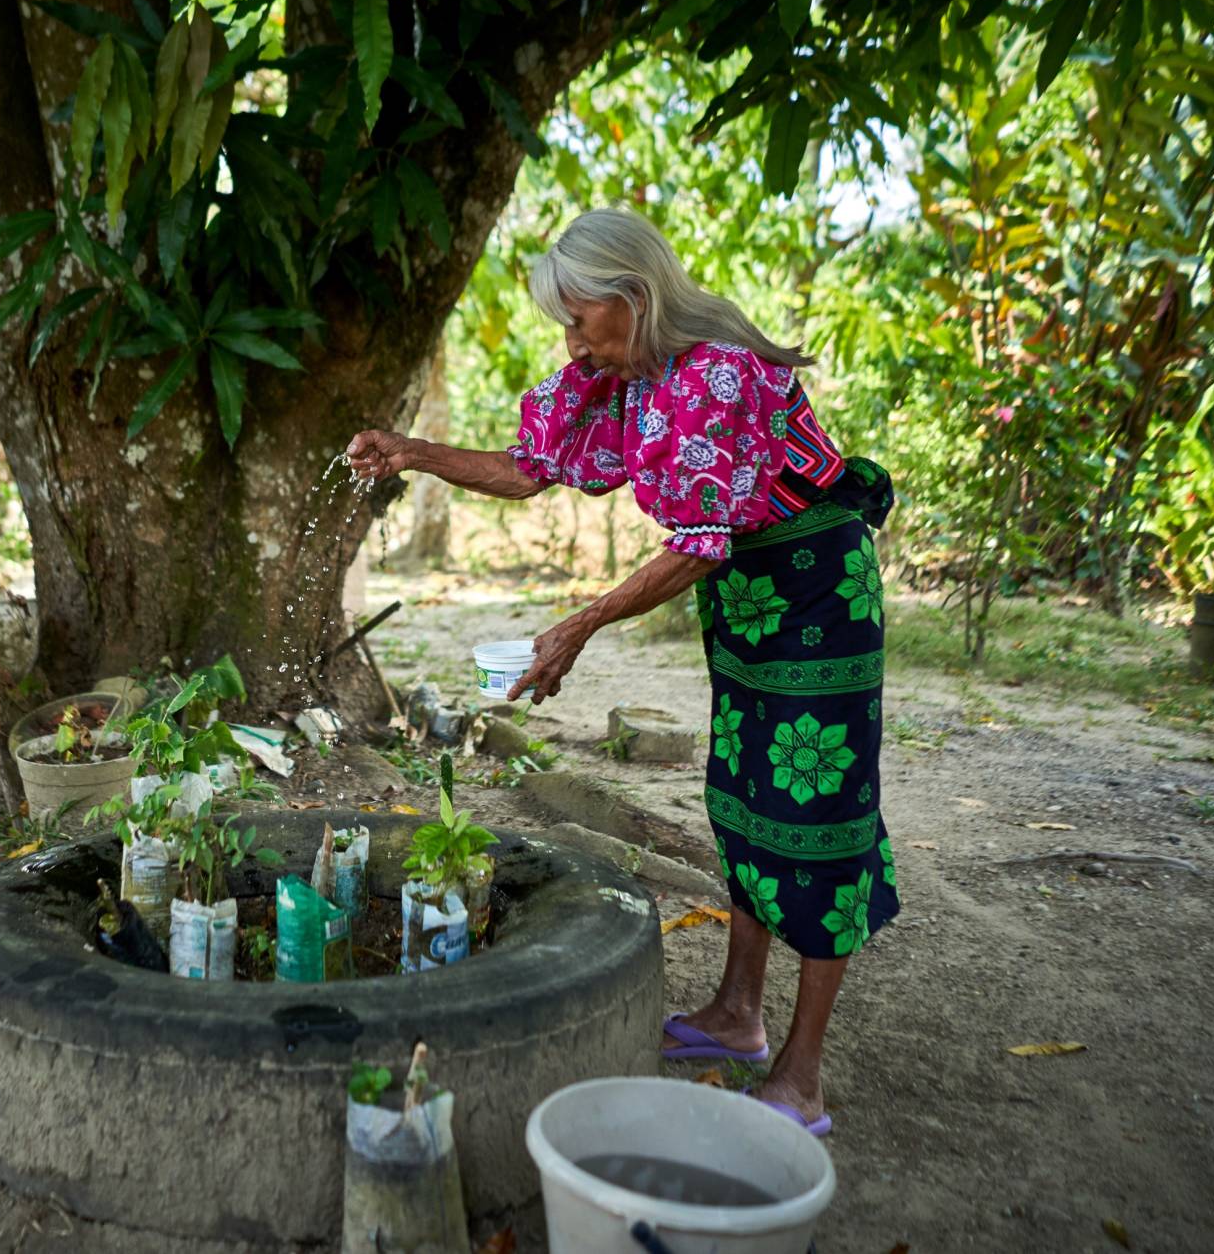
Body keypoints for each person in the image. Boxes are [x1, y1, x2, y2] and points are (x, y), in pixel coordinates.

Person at [347, 207, 898, 1137]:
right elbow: (530, 468)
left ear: (634, 298)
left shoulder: (713, 374)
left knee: (817, 821)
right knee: (743, 798)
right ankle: (739, 1014)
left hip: (817, 595)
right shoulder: (629, 379)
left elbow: (698, 543)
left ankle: (801, 1075)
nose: (571, 340)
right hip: (753, 601)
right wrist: (413, 453)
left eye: (578, 318)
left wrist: (583, 624)